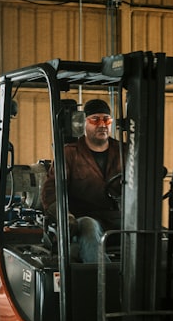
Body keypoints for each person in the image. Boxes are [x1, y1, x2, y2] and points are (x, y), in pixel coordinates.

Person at [39, 99, 123, 263]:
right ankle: (104, 282)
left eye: (106, 119)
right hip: (82, 219)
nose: (102, 124)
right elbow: (50, 193)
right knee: (88, 226)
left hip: (118, 218)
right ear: (83, 123)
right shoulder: (69, 153)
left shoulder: (125, 151)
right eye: (95, 119)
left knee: (155, 233)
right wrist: (65, 215)